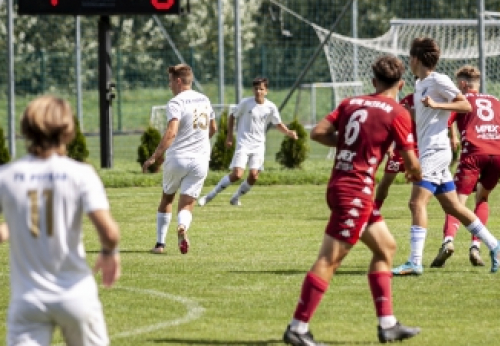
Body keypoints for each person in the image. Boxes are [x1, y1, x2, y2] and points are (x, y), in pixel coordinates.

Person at [283, 55, 422, 346]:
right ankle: (297, 328)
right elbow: (410, 160)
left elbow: (318, 132)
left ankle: (388, 325)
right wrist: (415, 172)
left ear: (373, 82)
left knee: (386, 248)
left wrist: (348, 144)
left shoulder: (350, 103)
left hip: (341, 184)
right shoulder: (398, 112)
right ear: (401, 83)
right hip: (355, 191)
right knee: (329, 259)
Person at [0, 95, 121, 346]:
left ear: (26, 129)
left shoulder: (3, 177)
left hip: (27, 299)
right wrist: (109, 253)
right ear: (67, 130)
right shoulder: (81, 174)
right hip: (76, 294)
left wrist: (9, 229)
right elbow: (110, 232)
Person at [392, 38, 500, 276]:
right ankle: (495, 245)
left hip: (436, 150)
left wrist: (436, 105)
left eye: (410, 57)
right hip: (432, 151)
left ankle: (415, 262)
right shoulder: (420, 83)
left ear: (416, 58)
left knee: (416, 203)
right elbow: (421, 115)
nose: (409, 61)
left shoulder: (438, 80)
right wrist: (402, 112)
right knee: (454, 206)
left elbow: (466, 106)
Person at [429, 65, 500, 269]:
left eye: (457, 85)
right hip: (499, 154)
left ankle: (448, 242)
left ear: (463, 84)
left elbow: (446, 122)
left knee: (456, 203)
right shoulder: (497, 102)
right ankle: (476, 246)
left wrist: (453, 138)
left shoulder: (462, 101)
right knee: (482, 198)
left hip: (474, 153)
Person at [143, 64, 217, 255]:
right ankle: (182, 226)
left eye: (170, 81)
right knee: (186, 203)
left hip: (178, 158)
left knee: (167, 197)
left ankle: (160, 244)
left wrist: (154, 157)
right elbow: (213, 129)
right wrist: (198, 142)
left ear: (178, 81)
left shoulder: (176, 102)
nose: (169, 85)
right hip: (200, 160)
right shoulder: (205, 100)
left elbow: (171, 132)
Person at [198, 77, 298, 207]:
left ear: (266, 91)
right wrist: (229, 136)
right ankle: (209, 196)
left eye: (261, 89)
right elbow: (232, 116)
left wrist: (289, 132)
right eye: (256, 88)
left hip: (258, 146)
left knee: (254, 176)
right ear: (253, 90)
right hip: (244, 144)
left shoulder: (270, 107)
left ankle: (235, 198)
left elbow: (277, 123)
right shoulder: (246, 103)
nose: (258, 91)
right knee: (237, 174)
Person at [374, 92, 417, 211]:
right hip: (401, 150)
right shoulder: (407, 100)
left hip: (422, 150)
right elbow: (393, 122)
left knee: (424, 185)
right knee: (386, 181)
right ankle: (375, 210)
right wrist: (388, 145)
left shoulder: (432, 101)